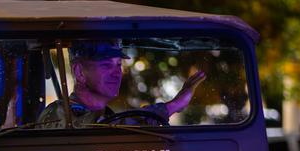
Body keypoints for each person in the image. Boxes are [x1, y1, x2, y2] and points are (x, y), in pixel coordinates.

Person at [38, 40, 207, 127]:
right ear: (79, 72)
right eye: (106, 64)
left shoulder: (105, 115)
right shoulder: (58, 115)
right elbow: (100, 133)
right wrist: (172, 106)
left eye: (118, 64)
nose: (117, 72)